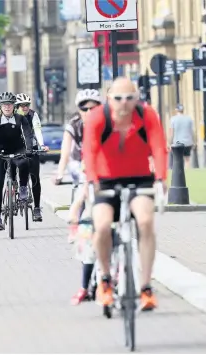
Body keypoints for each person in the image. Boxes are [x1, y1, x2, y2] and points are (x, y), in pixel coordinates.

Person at [82, 77, 168, 312]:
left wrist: (161, 178)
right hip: (105, 179)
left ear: (137, 98)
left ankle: (146, 287)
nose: (124, 103)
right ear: (109, 99)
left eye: (130, 98)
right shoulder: (98, 117)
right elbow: (89, 151)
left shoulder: (147, 115)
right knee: (102, 226)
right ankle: (106, 280)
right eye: (118, 98)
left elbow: (159, 147)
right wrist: (91, 181)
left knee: (146, 221)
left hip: (139, 177)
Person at [54, 89, 103, 305]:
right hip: (81, 167)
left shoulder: (108, 126)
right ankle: (85, 284)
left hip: (105, 174)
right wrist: (59, 173)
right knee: (85, 186)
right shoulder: (74, 126)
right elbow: (65, 152)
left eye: (94, 108)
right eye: (85, 108)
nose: (89, 112)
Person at [0, 91, 34, 231]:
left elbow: (28, 135)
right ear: (1, 106)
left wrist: (29, 149)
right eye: (4, 105)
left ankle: (23, 188)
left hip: (17, 149)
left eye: (10, 104)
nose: (7, 107)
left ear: (14, 106)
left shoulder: (20, 119)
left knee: (24, 163)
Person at [14, 93, 49, 222]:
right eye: (22, 106)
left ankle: (37, 208)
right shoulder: (12, 116)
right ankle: (13, 188)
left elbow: (38, 130)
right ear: (17, 106)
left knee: (35, 178)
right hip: (16, 148)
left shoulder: (33, 115)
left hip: (32, 148)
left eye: (27, 105)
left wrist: (42, 144)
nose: (25, 108)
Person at [168, 104, 195, 168]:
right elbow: (192, 132)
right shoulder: (189, 119)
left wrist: (169, 143)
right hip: (188, 142)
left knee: (177, 160)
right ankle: (187, 174)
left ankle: (179, 175)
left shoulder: (173, 119)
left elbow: (171, 133)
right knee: (187, 160)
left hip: (177, 143)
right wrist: (193, 142)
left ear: (176, 110)